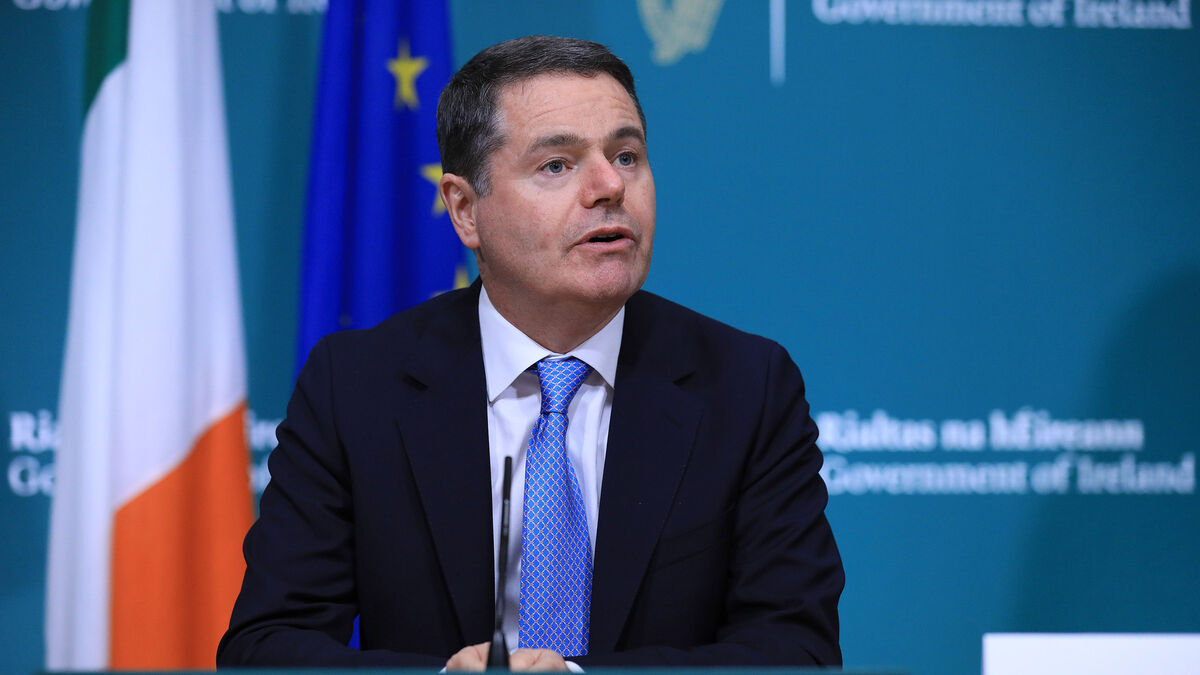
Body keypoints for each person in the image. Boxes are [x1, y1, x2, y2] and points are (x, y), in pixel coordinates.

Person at [217, 35, 843, 671]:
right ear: (465, 210)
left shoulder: (746, 388)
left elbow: (797, 652)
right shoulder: (355, 388)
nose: (609, 186)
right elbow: (266, 649)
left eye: (627, 156)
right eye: (557, 165)